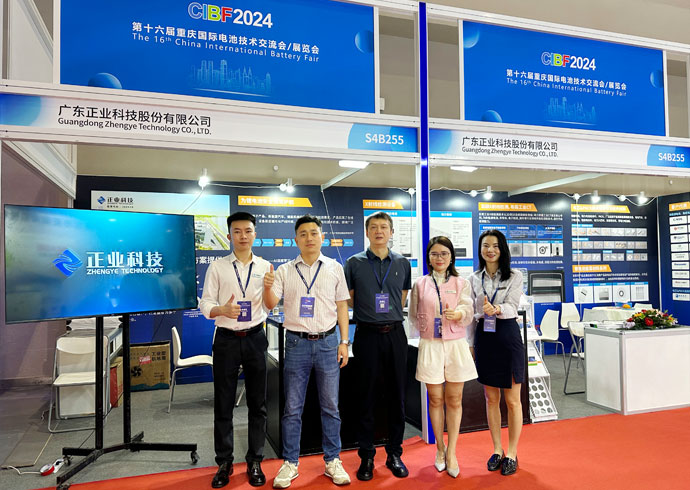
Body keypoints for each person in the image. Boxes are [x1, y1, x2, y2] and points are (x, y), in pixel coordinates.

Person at [263, 214, 351, 489]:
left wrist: (344, 342)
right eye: (303, 234)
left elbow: (342, 307)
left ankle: (333, 460)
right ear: (296, 240)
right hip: (297, 343)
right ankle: (290, 462)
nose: (309, 238)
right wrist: (267, 287)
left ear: (322, 237)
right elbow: (270, 304)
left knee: (331, 406)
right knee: (292, 408)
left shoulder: (335, 268)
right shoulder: (285, 270)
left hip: (328, 342)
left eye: (314, 233)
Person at [199, 212, 273, 488]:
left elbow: (270, 306)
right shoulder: (217, 267)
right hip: (226, 340)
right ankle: (224, 462)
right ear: (229, 235)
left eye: (248, 231)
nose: (243, 236)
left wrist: (269, 290)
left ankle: (255, 460)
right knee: (224, 403)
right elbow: (205, 304)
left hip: (255, 337)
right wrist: (222, 309)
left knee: (258, 404)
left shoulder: (265, 266)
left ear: (255, 234)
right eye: (238, 231)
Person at [344, 211, 412, 481]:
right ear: (367, 232)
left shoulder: (402, 263)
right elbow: (350, 299)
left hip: (395, 334)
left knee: (397, 395)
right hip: (367, 335)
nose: (379, 231)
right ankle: (367, 455)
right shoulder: (354, 263)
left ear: (391, 232)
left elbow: (402, 298)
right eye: (374, 227)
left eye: (384, 227)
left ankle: (394, 453)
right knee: (366, 395)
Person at [408, 236, 476, 478]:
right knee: (435, 399)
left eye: (444, 254)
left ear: (451, 257)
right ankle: (439, 448)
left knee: (454, 399)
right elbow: (413, 314)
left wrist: (458, 314)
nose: (439, 258)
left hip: (455, 344)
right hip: (431, 345)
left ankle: (452, 452)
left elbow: (469, 309)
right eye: (435, 254)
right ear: (428, 257)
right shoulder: (420, 284)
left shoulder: (461, 282)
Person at [467, 229, 525, 476]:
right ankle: (497, 449)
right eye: (485, 246)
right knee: (491, 399)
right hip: (484, 337)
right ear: (480, 249)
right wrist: (470, 345)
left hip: (507, 335)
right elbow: (471, 315)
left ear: (502, 249)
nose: (490, 250)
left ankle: (512, 452)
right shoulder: (473, 278)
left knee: (512, 401)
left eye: (495, 246)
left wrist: (497, 308)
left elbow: (513, 306)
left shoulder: (514, 275)